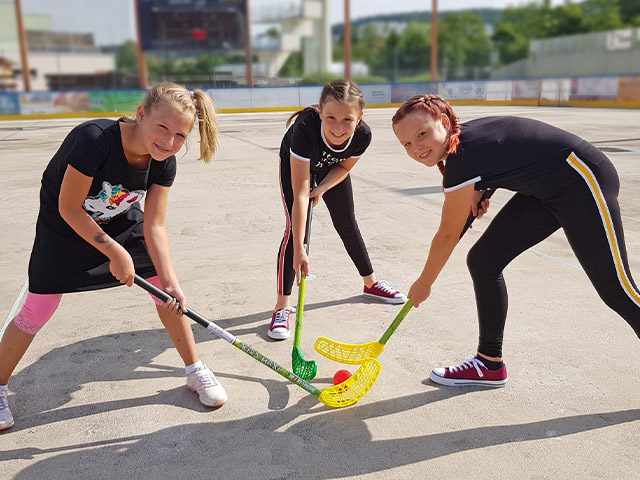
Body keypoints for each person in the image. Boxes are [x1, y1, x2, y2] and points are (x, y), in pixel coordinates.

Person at [0, 82, 227, 431]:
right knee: (38, 308)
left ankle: (195, 370)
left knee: (165, 294)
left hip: (118, 221)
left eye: (180, 136)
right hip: (65, 224)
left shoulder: (163, 162)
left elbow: (155, 226)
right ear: (140, 114)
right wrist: (114, 251)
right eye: (162, 128)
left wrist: (170, 282)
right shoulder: (93, 139)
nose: (168, 142)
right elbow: (69, 207)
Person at [391, 94, 640, 387]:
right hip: (547, 190)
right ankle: (489, 364)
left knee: (616, 289)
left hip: (581, 180)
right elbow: (508, 154)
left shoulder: (463, 158)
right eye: (407, 144)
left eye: (422, 134)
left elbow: (448, 233)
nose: (416, 147)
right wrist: (482, 190)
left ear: (444, 122)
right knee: (484, 261)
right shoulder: (463, 146)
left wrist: (424, 283)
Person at [269, 80, 407, 340]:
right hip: (297, 167)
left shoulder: (363, 135)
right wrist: (300, 248)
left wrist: (321, 188)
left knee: (347, 223)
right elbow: (300, 193)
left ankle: (371, 284)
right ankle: (282, 307)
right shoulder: (305, 131)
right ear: (320, 112)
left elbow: (343, 168)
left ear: (360, 118)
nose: (338, 127)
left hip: (331, 170)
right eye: (330, 117)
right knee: (295, 234)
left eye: (347, 120)